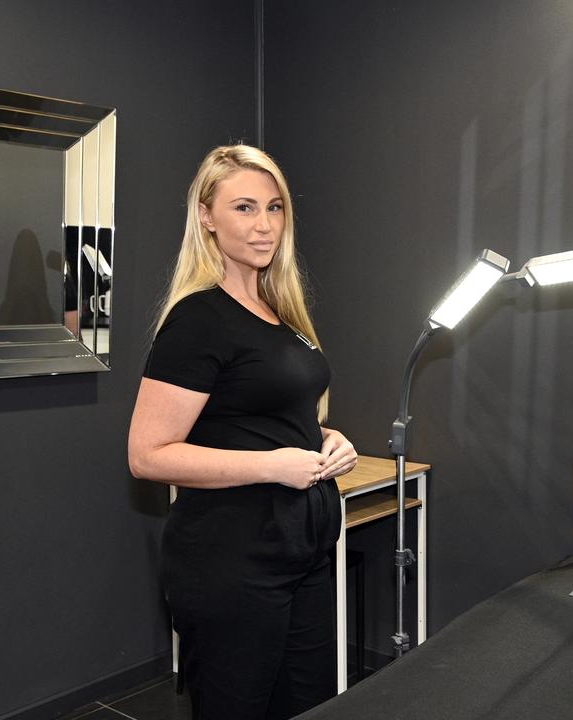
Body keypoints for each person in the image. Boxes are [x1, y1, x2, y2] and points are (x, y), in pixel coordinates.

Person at [127, 145, 357, 719]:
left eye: (274, 208)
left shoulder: (281, 311)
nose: (264, 225)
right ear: (207, 216)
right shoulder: (199, 318)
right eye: (245, 208)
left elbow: (269, 414)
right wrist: (270, 465)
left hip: (301, 552)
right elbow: (147, 456)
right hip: (232, 562)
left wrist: (330, 440)